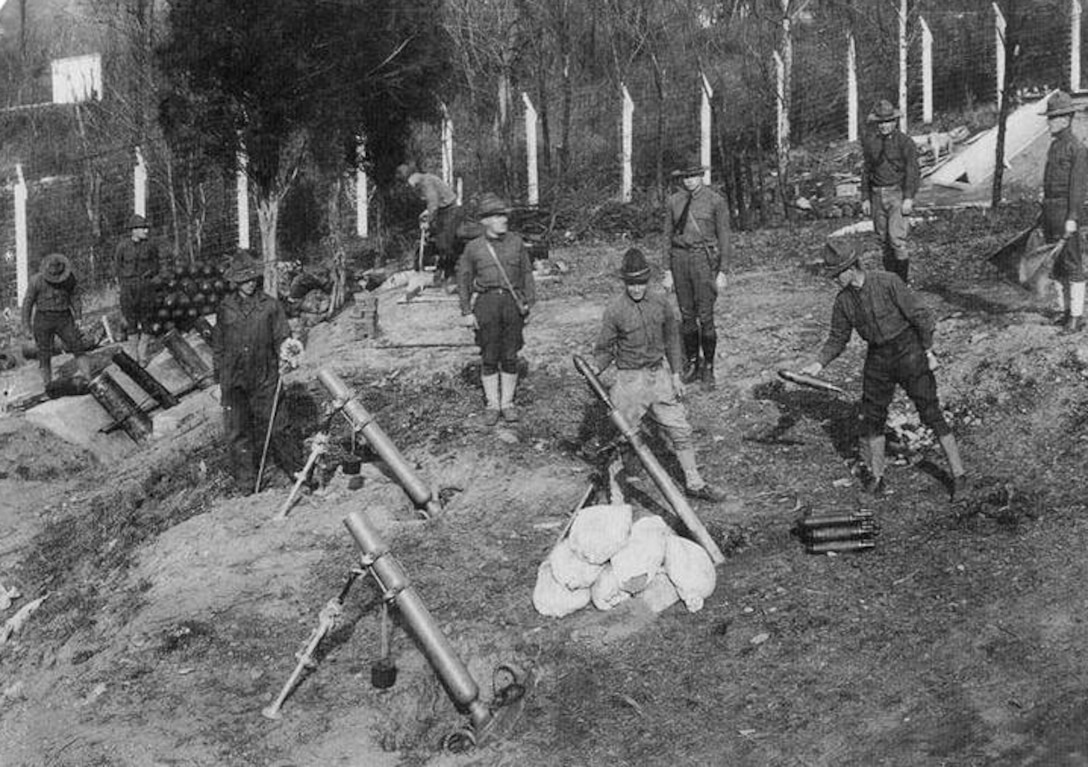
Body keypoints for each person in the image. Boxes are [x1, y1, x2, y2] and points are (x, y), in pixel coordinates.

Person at [800, 240, 966, 500]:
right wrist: (818, 363)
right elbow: (837, 337)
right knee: (871, 418)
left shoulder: (888, 282)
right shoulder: (843, 301)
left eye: (836, 275)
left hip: (908, 350)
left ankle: (959, 475)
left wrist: (928, 350)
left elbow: (922, 316)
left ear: (850, 269)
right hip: (878, 358)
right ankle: (877, 477)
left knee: (931, 412)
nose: (834, 280)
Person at [592, 248, 724, 503]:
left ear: (648, 281)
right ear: (625, 283)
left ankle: (694, 482)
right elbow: (605, 348)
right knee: (624, 433)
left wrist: (676, 374)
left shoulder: (661, 302)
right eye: (631, 284)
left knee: (679, 428)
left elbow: (673, 338)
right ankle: (619, 492)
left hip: (659, 375)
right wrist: (596, 367)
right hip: (630, 379)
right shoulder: (615, 309)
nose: (637, 289)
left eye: (641, 283)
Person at [210, 253, 304, 495]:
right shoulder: (225, 308)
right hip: (234, 381)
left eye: (253, 277)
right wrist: (217, 380)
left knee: (279, 426)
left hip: (265, 377)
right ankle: (246, 484)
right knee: (238, 433)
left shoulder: (270, 305)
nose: (250, 282)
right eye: (244, 279)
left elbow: (283, 337)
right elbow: (218, 345)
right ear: (235, 282)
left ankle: (296, 473)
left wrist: (288, 356)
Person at [457, 192, 535, 425]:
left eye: (504, 215)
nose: (504, 219)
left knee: (510, 355)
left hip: (512, 304)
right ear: (485, 221)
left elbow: (527, 274)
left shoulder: (516, 242)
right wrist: (466, 312)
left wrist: (529, 304)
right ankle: (492, 405)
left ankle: (507, 404)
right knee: (489, 355)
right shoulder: (474, 248)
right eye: (498, 216)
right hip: (486, 304)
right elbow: (463, 280)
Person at [663, 155, 731, 389]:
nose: (689, 181)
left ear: (701, 176)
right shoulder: (674, 202)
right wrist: (667, 270)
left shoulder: (715, 201)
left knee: (706, 317)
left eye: (693, 176)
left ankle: (709, 367)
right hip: (679, 259)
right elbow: (667, 237)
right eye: (685, 177)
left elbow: (724, 238)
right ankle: (693, 362)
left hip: (703, 260)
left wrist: (723, 270)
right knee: (687, 316)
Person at [1039, 90, 1088, 333]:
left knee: (1072, 263)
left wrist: (1072, 218)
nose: (1049, 121)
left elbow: (1077, 189)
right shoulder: (1054, 146)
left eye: (1053, 117)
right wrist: (1043, 213)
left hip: (1066, 213)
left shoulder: (1076, 148)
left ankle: (1077, 316)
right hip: (1050, 212)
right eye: (1049, 117)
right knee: (1056, 265)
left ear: (1066, 119)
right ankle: (1066, 310)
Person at [860, 99, 920, 285]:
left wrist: (908, 198)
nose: (884, 126)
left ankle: (902, 283)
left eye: (888, 121)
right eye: (881, 122)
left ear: (895, 122)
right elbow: (866, 171)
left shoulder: (905, 142)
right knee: (883, 240)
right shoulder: (871, 142)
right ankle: (891, 282)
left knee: (897, 239)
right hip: (877, 195)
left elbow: (912, 170)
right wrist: (865, 198)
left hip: (897, 194)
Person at [21, 252, 91, 389]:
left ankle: (88, 378)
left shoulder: (69, 279)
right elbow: (27, 304)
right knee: (44, 352)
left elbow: (75, 297)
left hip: (64, 318)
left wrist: (78, 317)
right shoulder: (36, 281)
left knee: (77, 345)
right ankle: (48, 384)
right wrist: (26, 327)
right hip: (43, 319)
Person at [397, 162, 464, 286]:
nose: (409, 186)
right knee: (439, 243)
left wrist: (428, 222)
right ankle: (442, 272)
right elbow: (434, 202)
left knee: (445, 243)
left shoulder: (425, 182)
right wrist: (426, 212)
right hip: (444, 210)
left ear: (412, 177)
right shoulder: (425, 180)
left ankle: (451, 275)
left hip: (451, 211)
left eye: (407, 182)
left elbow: (433, 203)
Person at [114, 214, 161, 365]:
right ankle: (133, 354)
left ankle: (143, 352)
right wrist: (120, 286)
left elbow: (156, 265)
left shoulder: (151, 246)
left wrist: (150, 276)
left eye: (146, 228)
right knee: (130, 320)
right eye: (142, 228)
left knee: (147, 318)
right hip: (128, 287)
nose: (146, 231)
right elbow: (117, 266)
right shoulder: (122, 246)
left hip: (145, 286)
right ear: (133, 230)